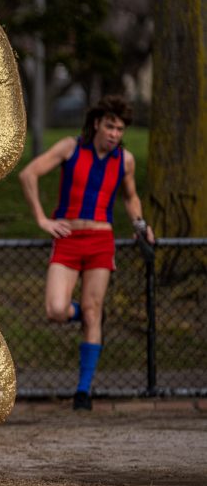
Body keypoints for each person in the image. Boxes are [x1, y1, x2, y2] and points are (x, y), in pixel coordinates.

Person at [19, 95, 155, 410]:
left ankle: (83, 392)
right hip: (67, 238)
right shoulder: (71, 147)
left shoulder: (126, 160)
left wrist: (140, 225)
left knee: (95, 312)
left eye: (120, 129)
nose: (115, 134)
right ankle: (83, 313)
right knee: (56, 309)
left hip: (100, 242)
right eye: (110, 126)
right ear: (97, 124)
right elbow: (29, 174)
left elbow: (131, 198)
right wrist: (42, 219)